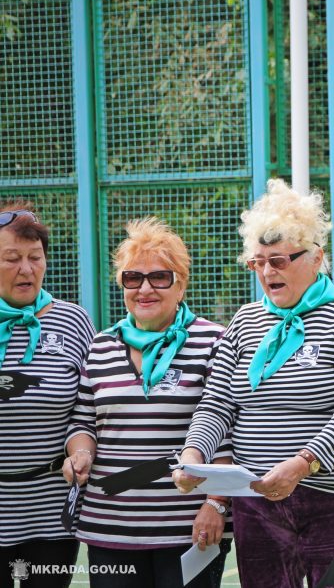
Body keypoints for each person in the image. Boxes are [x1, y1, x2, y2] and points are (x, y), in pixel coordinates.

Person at [174, 179, 334, 588]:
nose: (267, 271)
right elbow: (218, 403)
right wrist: (193, 454)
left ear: (317, 258)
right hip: (258, 501)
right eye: (258, 261)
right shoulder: (245, 320)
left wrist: (304, 463)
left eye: (280, 261)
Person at [62, 218, 231, 586]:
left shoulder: (214, 342)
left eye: (160, 277)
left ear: (181, 284)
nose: (145, 289)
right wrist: (81, 454)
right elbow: (82, 422)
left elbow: (229, 430)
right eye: (133, 278)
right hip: (110, 527)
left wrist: (216, 503)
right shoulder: (101, 346)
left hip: (191, 528)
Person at [0, 202, 95, 588]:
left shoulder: (73, 320)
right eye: (11, 259)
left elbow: (87, 406)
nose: (26, 269)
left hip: (53, 507)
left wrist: (81, 451)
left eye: (35, 257)